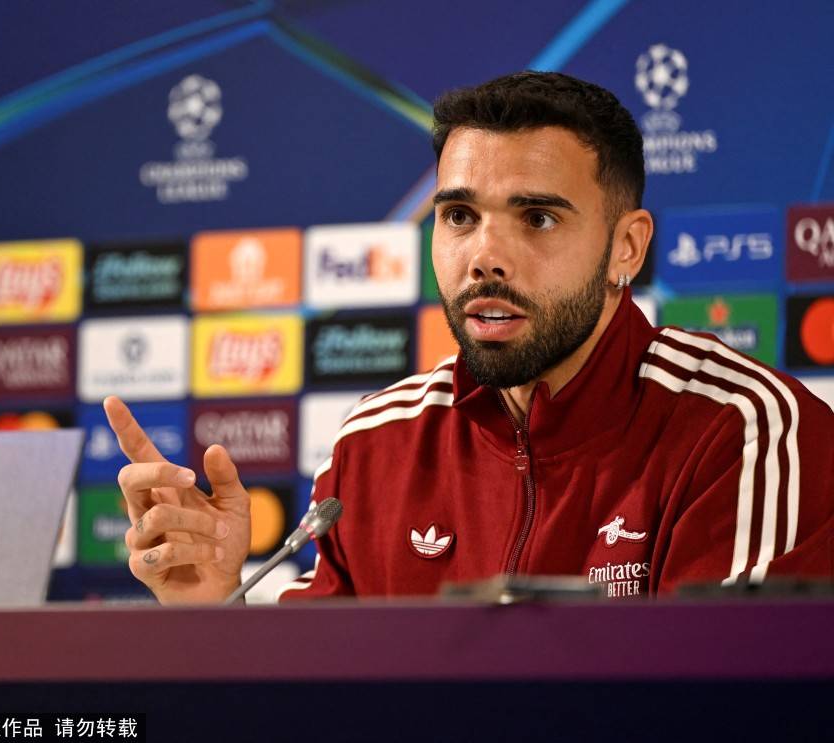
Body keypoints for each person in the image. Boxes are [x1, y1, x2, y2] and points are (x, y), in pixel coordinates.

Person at [104, 71, 834, 604]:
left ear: (627, 247)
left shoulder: (745, 431)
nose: (485, 256)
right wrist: (213, 610)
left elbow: (730, 707)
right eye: (459, 216)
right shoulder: (375, 447)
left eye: (537, 218)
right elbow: (316, 701)